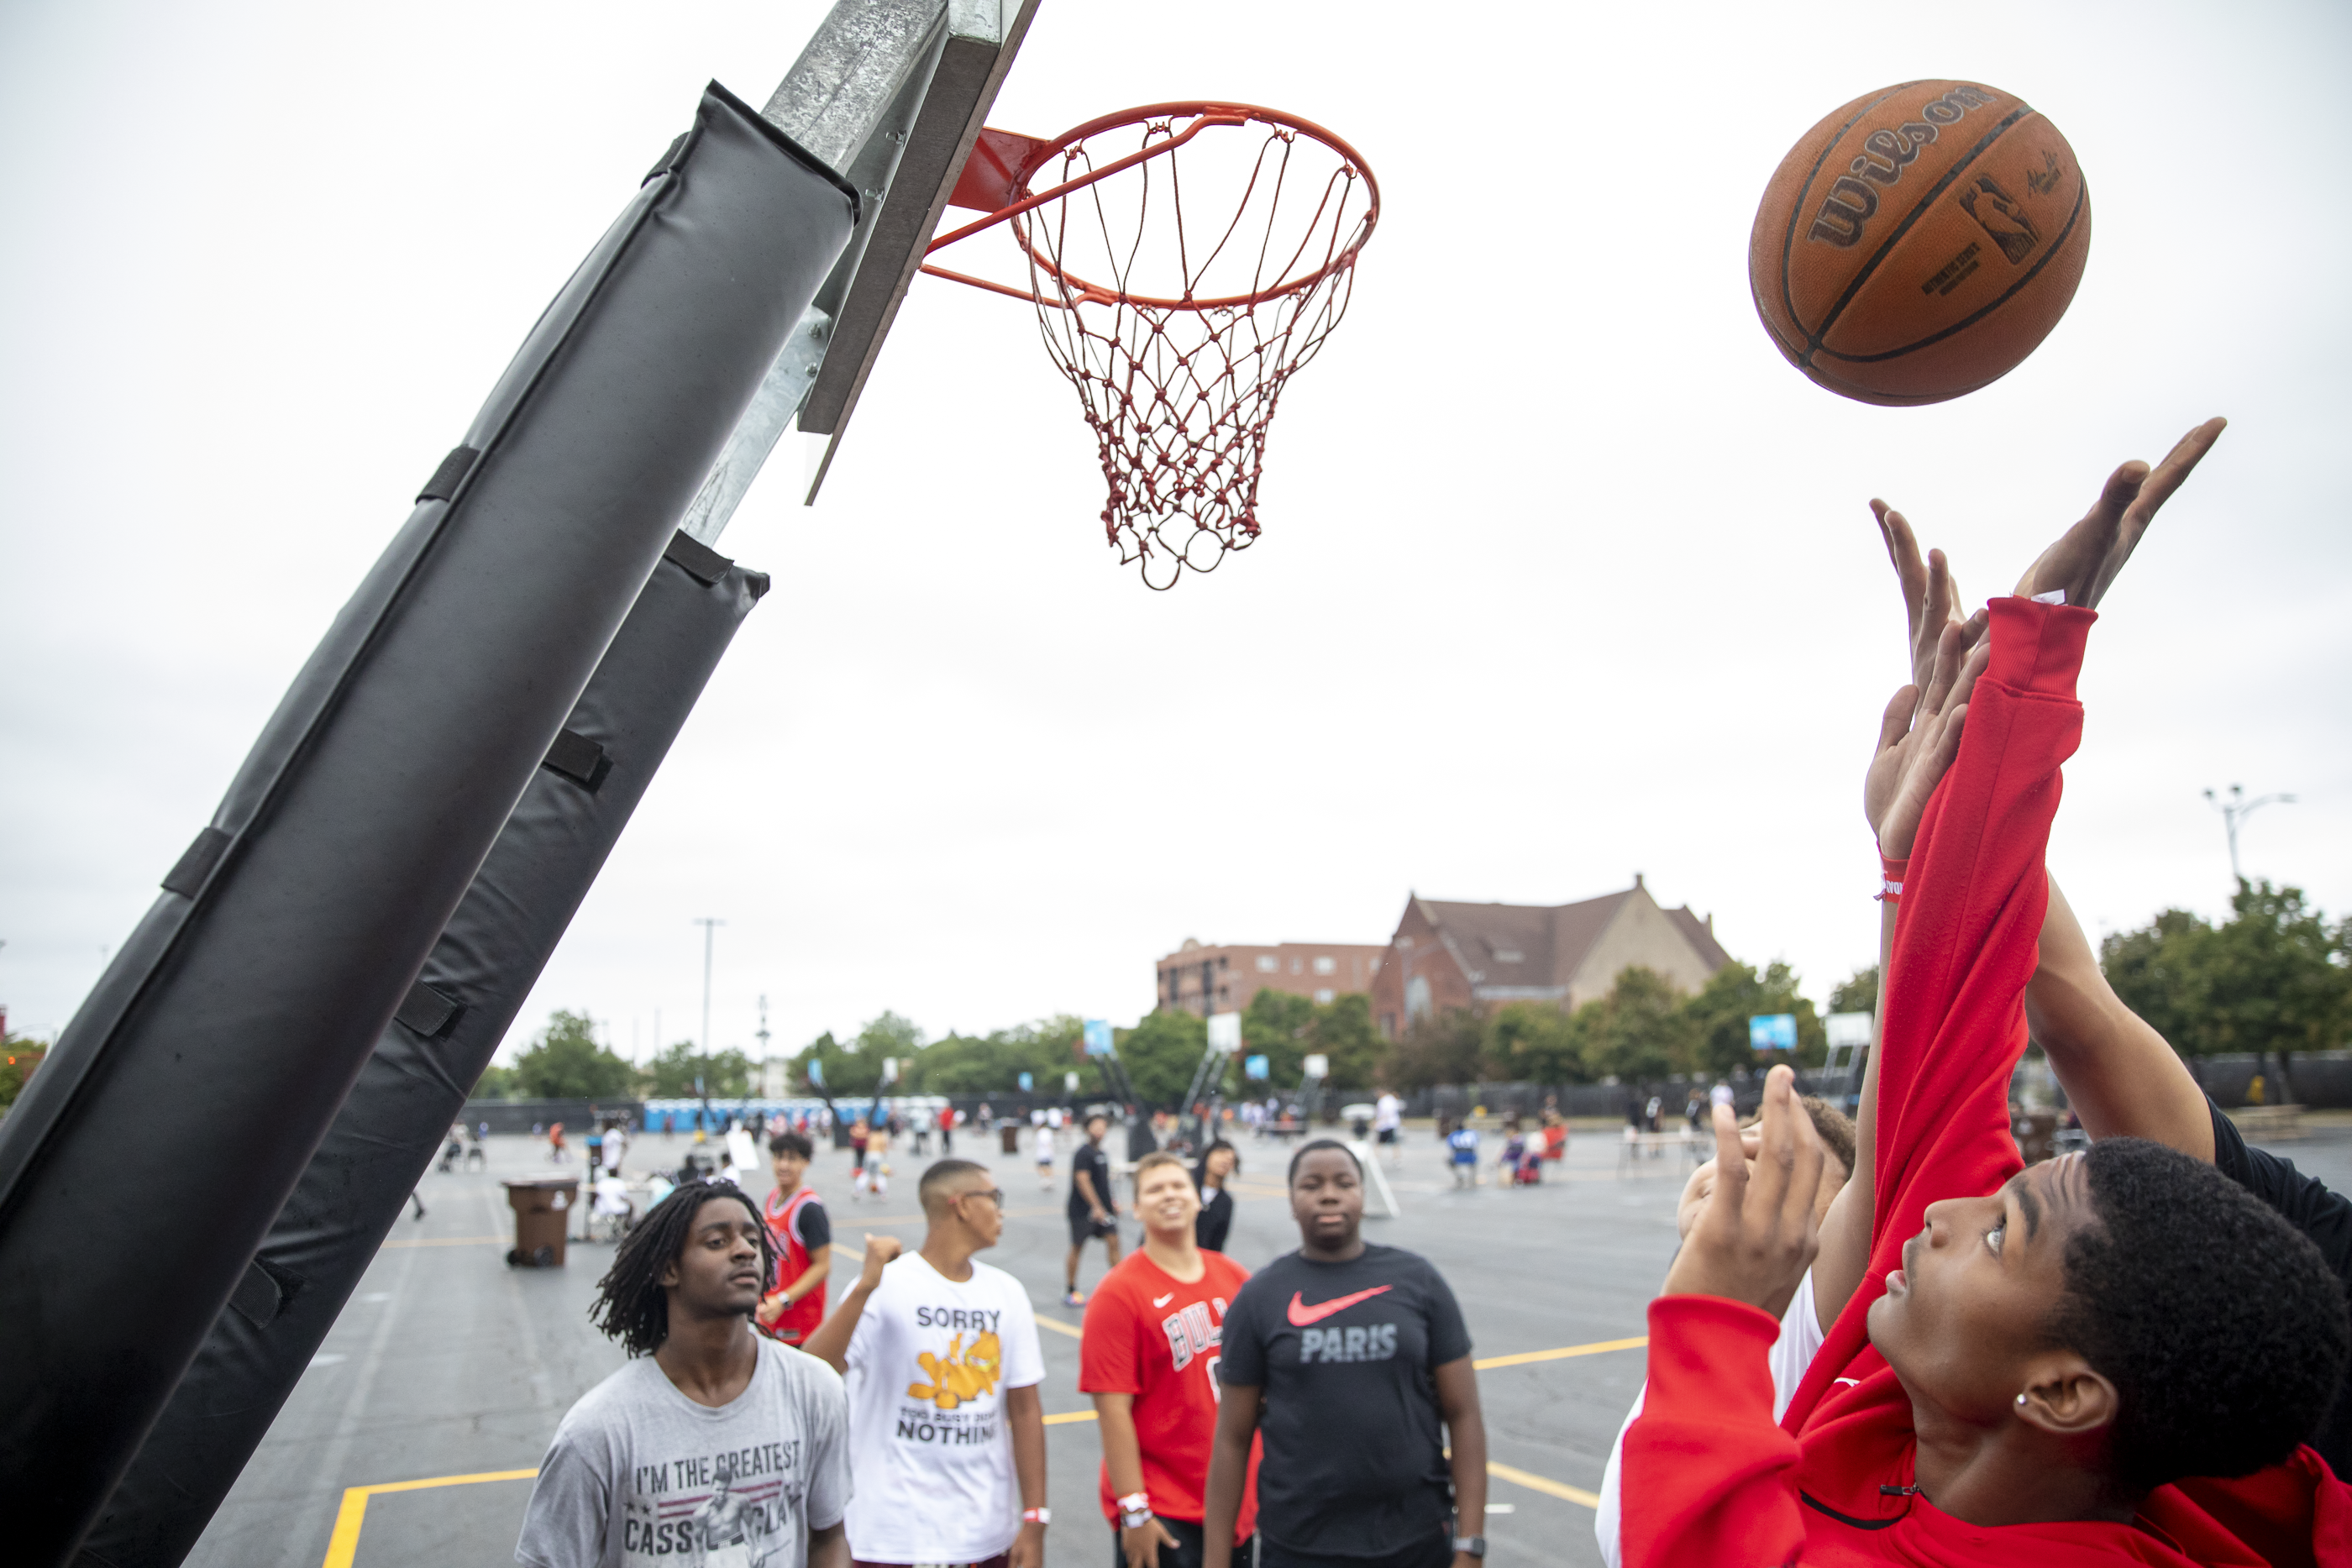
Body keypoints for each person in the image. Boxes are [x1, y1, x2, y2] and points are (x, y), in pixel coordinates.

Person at [1623, 425, 2350, 1564]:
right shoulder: (1984, 1373)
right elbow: (1957, 1012)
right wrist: (2018, 680)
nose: (1949, 1209)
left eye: (2001, 1223)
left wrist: (1720, 1300)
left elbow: (1684, 1535)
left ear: (2062, 1392)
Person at [514, 1179, 850, 1568]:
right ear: (668, 1269)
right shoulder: (597, 1430)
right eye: (717, 1242)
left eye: (752, 1240)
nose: (744, 1250)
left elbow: (828, 1537)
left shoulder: (815, 1389)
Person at [1202, 1141, 1484, 1568]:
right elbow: (1232, 1439)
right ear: (1292, 1202)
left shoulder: (1418, 1282)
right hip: (1300, 1546)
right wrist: (1215, 1561)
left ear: (1362, 1195)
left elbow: (1464, 1416)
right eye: (1311, 1185)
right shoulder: (1260, 1298)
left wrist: (1471, 1544)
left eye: (1344, 1182)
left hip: (1416, 1540)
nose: (1329, 1194)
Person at [804, 1162, 1048, 1568]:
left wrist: (1035, 1518)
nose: (1001, 1212)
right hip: (891, 1536)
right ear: (963, 1205)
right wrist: (864, 1289)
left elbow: (1025, 1410)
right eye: (994, 1199)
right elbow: (813, 1373)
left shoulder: (1007, 1293)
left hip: (984, 1535)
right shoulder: (886, 1284)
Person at [1082, 1151, 1261, 1568]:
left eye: (1178, 1185)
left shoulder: (1234, 1277)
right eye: (1155, 1189)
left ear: (1197, 1198)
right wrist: (1134, 1508)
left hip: (1235, 1501)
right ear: (1136, 1207)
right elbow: (1112, 1411)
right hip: (1166, 1508)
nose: (1169, 1196)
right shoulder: (1118, 1294)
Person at [758, 1130, 832, 1347]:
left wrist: (784, 1300)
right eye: (778, 1157)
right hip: (770, 1315)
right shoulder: (771, 1198)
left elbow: (823, 1266)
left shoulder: (809, 1209)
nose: (783, 1165)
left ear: (805, 1163)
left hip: (798, 1324)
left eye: (792, 1159)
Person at [1067, 1112, 1124, 1307]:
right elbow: (1083, 1180)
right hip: (1083, 1211)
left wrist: (1111, 1203)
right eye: (1096, 1126)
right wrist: (1096, 1207)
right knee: (1077, 1247)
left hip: (1104, 1210)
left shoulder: (1102, 1154)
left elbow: (1103, 1184)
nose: (1100, 1130)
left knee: (1113, 1241)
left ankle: (1121, 1288)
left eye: (1103, 1127)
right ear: (1087, 1129)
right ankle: (1070, 1289)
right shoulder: (1083, 1153)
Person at [1193, 1141, 1239, 1255]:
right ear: (1208, 1155)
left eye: (1230, 1160)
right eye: (1221, 1155)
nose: (1225, 1162)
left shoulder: (1225, 1202)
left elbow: (1217, 1245)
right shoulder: (1185, 1186)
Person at [1371, 1091, 1403, 1169]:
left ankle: (1375, 1160)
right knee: (1394, 1143)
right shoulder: (1392, 1099)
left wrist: (1378, 1123)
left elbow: (1385, 1113)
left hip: (1384, 1125)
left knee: (1379, 1143)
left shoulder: (1383, 1101)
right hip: (1392, 1124)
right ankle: (1397, 1159)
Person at [1443, 1121, 1478, 1189]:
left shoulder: (1453, 1135)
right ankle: (1472, 1179)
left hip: (1458, 1157)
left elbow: (1451, 1148)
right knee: (1475, 1161)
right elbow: (1475, 1144)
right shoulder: (1471, 1134)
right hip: (1470, 1157)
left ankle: (1459, 1177)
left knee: (1447, 1160)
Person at [1035, 1119, 1058, 1193]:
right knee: (1047, 1166)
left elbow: (1046, 1142)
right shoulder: (1048, 1131)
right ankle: (1049, 1179)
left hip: (1044, 1153)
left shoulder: (1042, 1132)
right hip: (1047, 1152)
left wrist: (1049, 1150)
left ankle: (1047, 1179)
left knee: (1043, 1167)